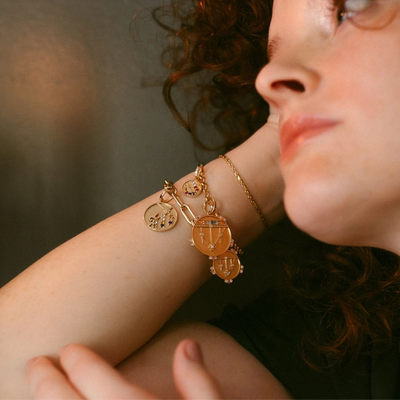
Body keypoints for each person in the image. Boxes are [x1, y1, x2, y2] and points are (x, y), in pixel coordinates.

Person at [2, 0, 400, 398]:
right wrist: (287, 136)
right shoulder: (338, 349)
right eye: (273, 58)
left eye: (346, 11)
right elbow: (13, 369)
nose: (268, 79)